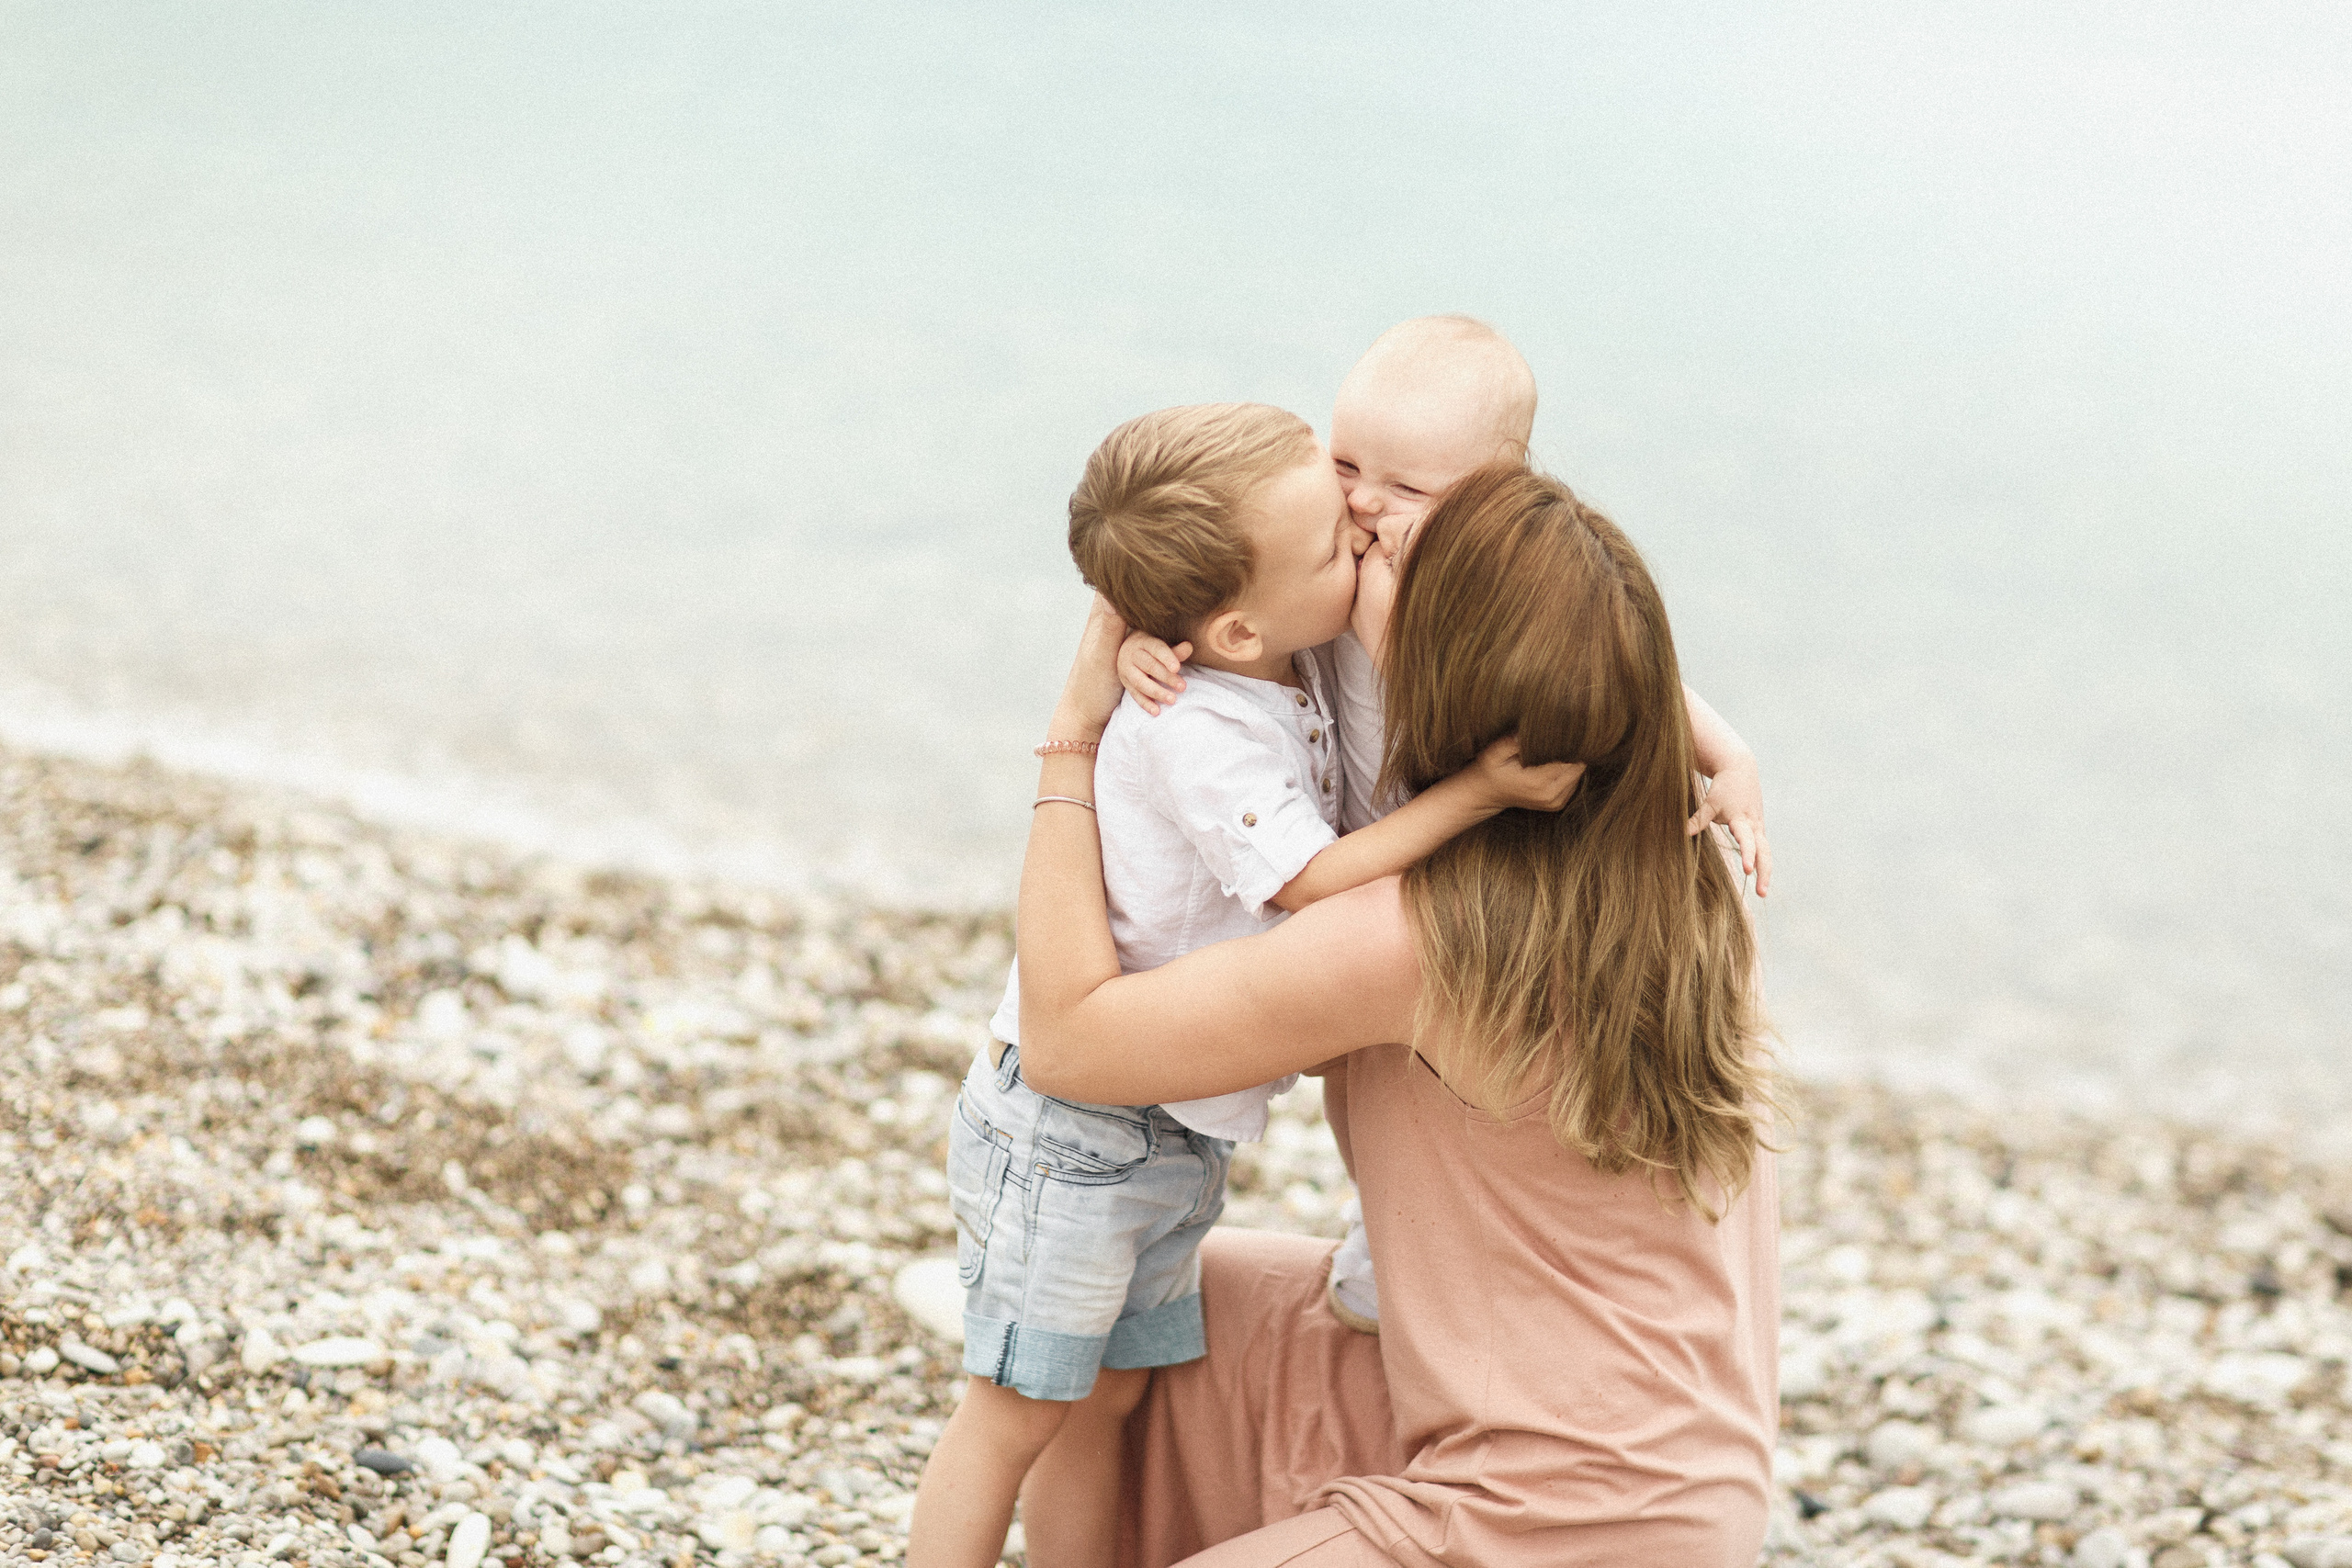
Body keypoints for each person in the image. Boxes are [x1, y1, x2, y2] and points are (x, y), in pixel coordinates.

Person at [1019, 463, 1781, 1566]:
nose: (1361, 536)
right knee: (1126, 1306)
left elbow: (1067, 1042)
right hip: (1690, 1491)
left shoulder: (1416, 939)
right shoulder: (1683, 856)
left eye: (1378, 560)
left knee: (1070, 1300)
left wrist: (1075, 732)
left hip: (1547, 1521)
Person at [906, 407, 1583, 1568]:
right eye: (1337, 547)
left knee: (1109, 1400)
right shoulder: (1203, 726)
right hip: (1072, 1128)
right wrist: (1474, 794)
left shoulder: (1264, 654)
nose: (1362, 543)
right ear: (1230, 625)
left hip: (1169, 1128)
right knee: (1013, 1408)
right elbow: (1313, 880)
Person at [1117, 314, 1772, 1332]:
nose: (1364, 503)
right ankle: (1382, 1244)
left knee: (1432, 1092)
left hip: (1465, 870)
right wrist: (1145, 648)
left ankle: (1408, 1261)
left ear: (1494, 490)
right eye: (1344, 462)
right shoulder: (1323, 555)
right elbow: (1219, 592)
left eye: (1407, 489)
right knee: (1364, 1090)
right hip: (1353, 856)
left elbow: (1622, 659)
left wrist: (1728, 756)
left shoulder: (1481, 589)